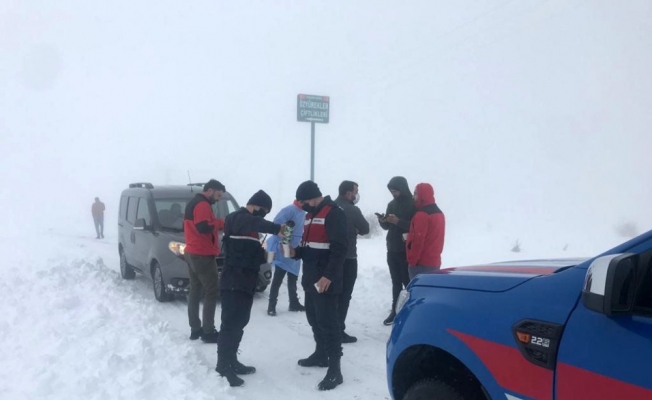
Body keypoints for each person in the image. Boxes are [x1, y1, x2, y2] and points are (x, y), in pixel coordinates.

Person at [216, 190, 286, 387]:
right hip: (233, 281)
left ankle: (232, 360)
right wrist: (277, 228)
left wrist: (267, 256)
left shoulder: (252, 229)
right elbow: (253, 222)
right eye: (264, 211)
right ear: (255, 205)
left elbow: (249, 253)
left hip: (246, 282)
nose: (263, 215)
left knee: (240, 322)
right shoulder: (236, 218)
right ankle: (223, 366)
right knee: (230, 324)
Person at [294, 180, 348, 391]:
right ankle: (320, 354)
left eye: (303, 201)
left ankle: (335, 370)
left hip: (325, 281)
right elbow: (310, 247)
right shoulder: (310, 216)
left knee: (329, 324)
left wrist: (328, 276)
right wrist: (295, 252)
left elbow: (340, 249)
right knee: (314, 319)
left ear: (312, 197)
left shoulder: (333, 213)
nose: (302, 206)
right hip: (311, 279)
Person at [183, 180, 225, 344]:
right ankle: (208, 331)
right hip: (202, 254)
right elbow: (203, 227)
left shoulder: (193, 202)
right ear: (210, 190)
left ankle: (195, 329)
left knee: (195, 290)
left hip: (192, 252)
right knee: (211, 291)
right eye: (218, 195)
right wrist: (220, 223)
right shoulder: (202, 204)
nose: (219, 199)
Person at [334, 181, 369, 343]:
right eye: (355, 192)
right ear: (348, 194)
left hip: (330, 258)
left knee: (332, 295)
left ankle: (328, 328)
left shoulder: (330, 206)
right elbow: (365, 229)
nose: (356, 195)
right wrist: (354, 229)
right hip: (348, 258)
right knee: (344, 295)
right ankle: (338, 331)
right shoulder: (352, 210)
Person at [378, 176, 416, 326]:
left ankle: (409, 310)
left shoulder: (413, 204)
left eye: (396, 191)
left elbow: (415, 227)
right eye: (391, 191)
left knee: (407, 281)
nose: (394, 194)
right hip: (392, 248)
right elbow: (388, 227)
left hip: (406, 249)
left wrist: (397, 221)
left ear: (403, 188)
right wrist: (383, 221)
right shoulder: (391, 204)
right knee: (395, 281)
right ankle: (395, 310)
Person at [266, 200, 307, 316]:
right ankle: (271, 305)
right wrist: (283, 241)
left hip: (295, 247)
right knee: (279, 276)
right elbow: (277, 224)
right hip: (284, 246)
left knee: (293, 277)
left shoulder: (303, 213)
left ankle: (294, 303)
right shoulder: (290, 210)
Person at [406, 183, 445, 279]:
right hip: (435, 262)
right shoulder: (440, 213)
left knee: (418, 289)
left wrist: (412, 261)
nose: (413, 197)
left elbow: (417, 241)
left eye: (416, 194)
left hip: (421, 264)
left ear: (422, 195)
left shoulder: (422, 215)